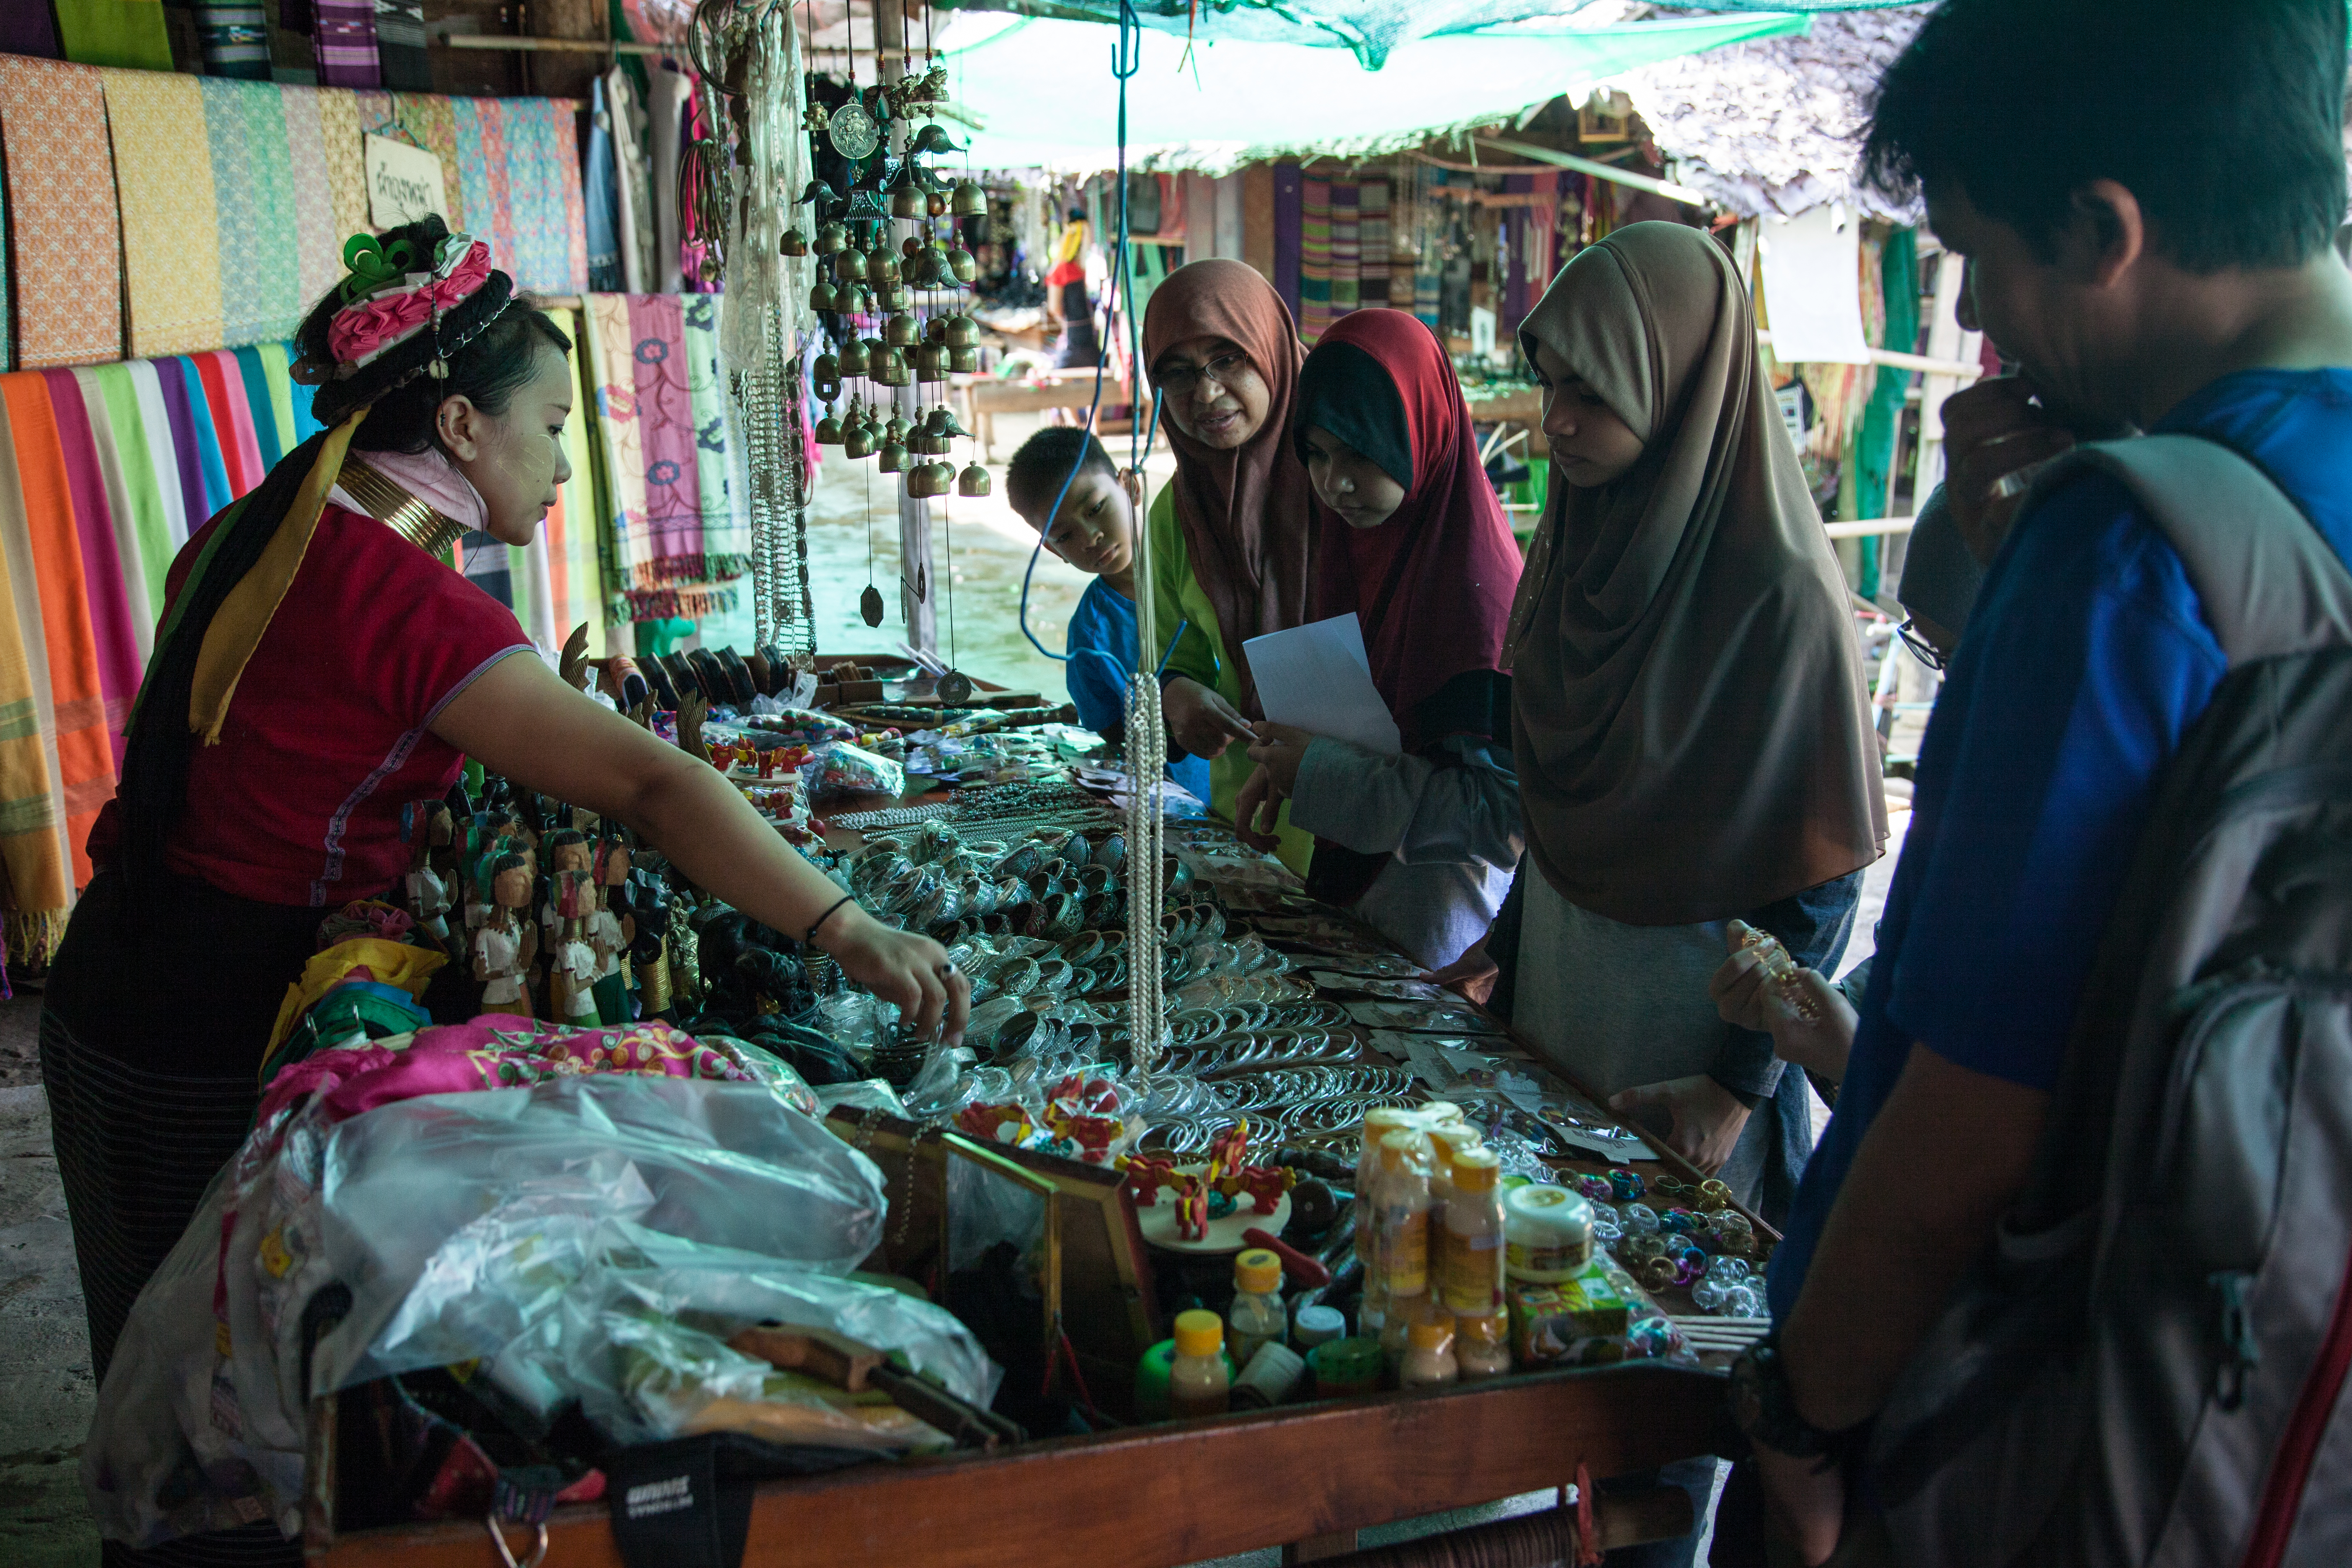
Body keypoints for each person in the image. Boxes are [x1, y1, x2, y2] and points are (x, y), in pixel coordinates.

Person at [41, 219, 968, 1566]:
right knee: (229, 1406)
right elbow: (653, 788)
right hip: (204, 1019)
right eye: (550, 422)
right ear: (465, 427)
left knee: (185, 1369)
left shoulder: (255, 528)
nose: (565, 460)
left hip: (117, 985)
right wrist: (845, 922)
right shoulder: (409, 606)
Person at [1740, 3, 2352, 1558]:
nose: (1974, 309)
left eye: (1971, 252)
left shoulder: (2128, 551)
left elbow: (1967, 1119)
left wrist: (1808, 1419)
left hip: (2039, 1426)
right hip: (2267, 1409)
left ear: (2101, 230)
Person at [1434, 222, 1886, 1228]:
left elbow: (1821, 870)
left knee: (1668, 1299)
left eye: (1592, 393)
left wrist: (1737, 1082)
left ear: (1681, 381)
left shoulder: (1780, 596)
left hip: (1689, 1019)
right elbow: (1558, 808)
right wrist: (1505, 954)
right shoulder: (1576, 542)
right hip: (1563, 980)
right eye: (1550, 385)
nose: (1555, 422)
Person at [1230, 308, 1524, 968]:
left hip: (1438, 944)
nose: (1336, 483)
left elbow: (1501, 816)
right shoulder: (1363, 550)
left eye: (1363, 454)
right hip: (1366, 920)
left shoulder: (1478, 599)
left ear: (1423, 431)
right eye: (1318, 454)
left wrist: (1319, 777)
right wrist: (1288, 767)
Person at [1709, 487, 1984, 1093]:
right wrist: (1807, 1015)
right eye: (1932, 653)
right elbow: (1904, 976)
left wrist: (1854, 1058)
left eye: (1963, 656)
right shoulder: (1973, 793)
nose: (1951, 692)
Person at [1142, 258, 1320, 873]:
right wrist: (1177, 695)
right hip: (1250, 823)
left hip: (1371, 825)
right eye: (1179, 373)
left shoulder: (1345, 482)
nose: (1207, 394)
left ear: (1269, 347)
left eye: (1228, 359)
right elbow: (1173, 655)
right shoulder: (1176, 514)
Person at [1003, 425, 1212, 804]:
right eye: (1065, 537)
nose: (1090, 537)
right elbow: (1113, 732)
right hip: (1173, 809)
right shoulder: (1089, 636)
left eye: (1096, 508)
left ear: (1130, 487)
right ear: (1053, 552)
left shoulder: (1204, 570)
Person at [1046, 203, 1099, 369]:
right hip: (1083, 339)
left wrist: (1067, 323)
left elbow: (1055, 308)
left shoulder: (1066, 269)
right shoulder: (1070, 269)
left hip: (1082, 338)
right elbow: (1055, 309)